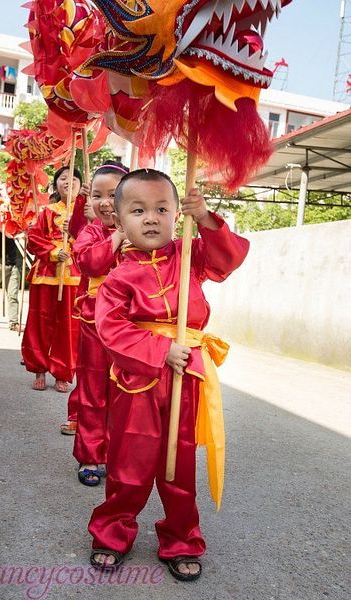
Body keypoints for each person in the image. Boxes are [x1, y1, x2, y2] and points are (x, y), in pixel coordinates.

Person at [87, 169, 249, 581]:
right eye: (138, 210)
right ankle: (112, 532)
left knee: (180, 466)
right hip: (136, 384)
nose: (151, 218)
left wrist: (208, 218)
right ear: (120, 222)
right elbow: (112, 329)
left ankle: (181, 538)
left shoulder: (189, 257)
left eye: (162, 208)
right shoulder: (118, 277)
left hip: (186, 380)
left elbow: (227, 259)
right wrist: (161, 350)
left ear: (178, 213)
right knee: (129, 464)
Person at [63, 161, 129, 485]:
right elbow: (89, 262)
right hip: (94, 323)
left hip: (131, 329)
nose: (105, 203)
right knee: (92, 392)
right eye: (99, 195)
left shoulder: (142, 230)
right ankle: (90, 456)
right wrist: (116, 236)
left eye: (114, 195)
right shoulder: (91, 231)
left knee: (126, 396)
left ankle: (116, 455)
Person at [21, 165, 89, 392]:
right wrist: (52, 252)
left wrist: (76, 232)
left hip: (74, 276)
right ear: (56, 184)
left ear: (81, 186)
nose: (69, 182)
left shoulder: (87, 212)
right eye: (63, 178)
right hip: (46, 275)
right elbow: (34, 239)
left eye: (74, 179)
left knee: (69, 327)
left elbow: (94, 239)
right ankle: (39, 367)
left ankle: (63, 371)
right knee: (40, 323)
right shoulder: (47, 211)